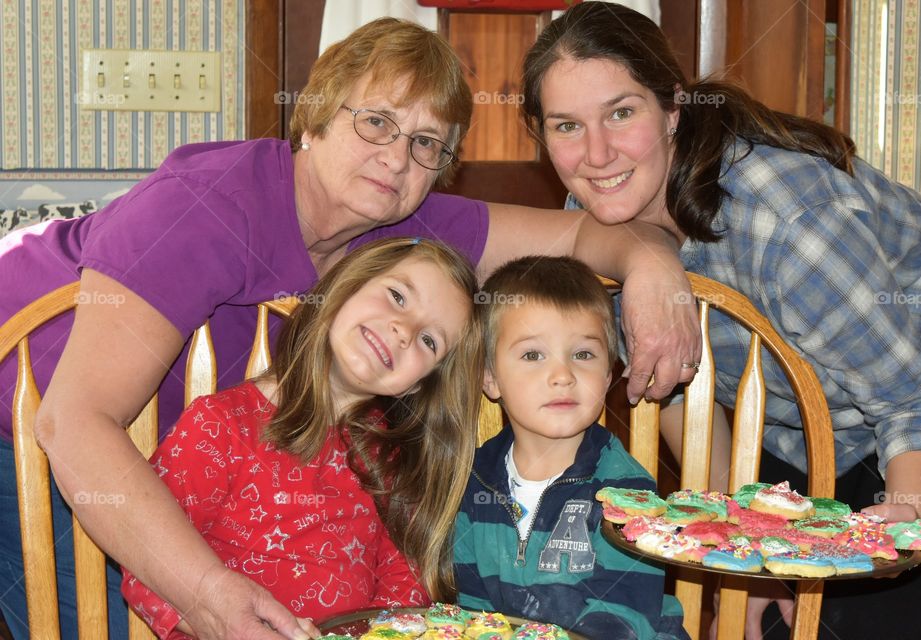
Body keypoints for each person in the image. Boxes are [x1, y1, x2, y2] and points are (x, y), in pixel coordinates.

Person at [0, 16, 703, 640]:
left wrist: (654, 269)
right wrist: (209, 593)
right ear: (313, 117)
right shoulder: (204, 205)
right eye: (376, 122)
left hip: (190, 465)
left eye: (427, 142)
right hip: (36, 432)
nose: (397, 158)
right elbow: (73, 421)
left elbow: (590, 236)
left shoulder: (405, 227)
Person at [519, 3, 921, 639]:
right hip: (826, 429)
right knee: (774, 618)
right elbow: (667, 383)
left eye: (622, 112)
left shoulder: (790, 224)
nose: (596, 154)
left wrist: (899, 522)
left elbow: (917, 401)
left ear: (673, 109)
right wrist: (748, 548)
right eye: (566, 126)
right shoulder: (595, 217)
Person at [121, 237, 482, 637]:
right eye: (397, 296)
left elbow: (404, 594)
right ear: (346, 286)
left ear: (417, 386)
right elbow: (149, 564)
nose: (403, 330)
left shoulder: (395, 465)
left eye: (429, 341)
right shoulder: (219, 426)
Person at [454, 256, 688, 640]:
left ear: (608, 374)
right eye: (533, 355)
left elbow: (624, 617)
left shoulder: (626, 491)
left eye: (583, 355)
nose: (562, 375)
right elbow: (471, 608)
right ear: (491, 378)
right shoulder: (473, 480)